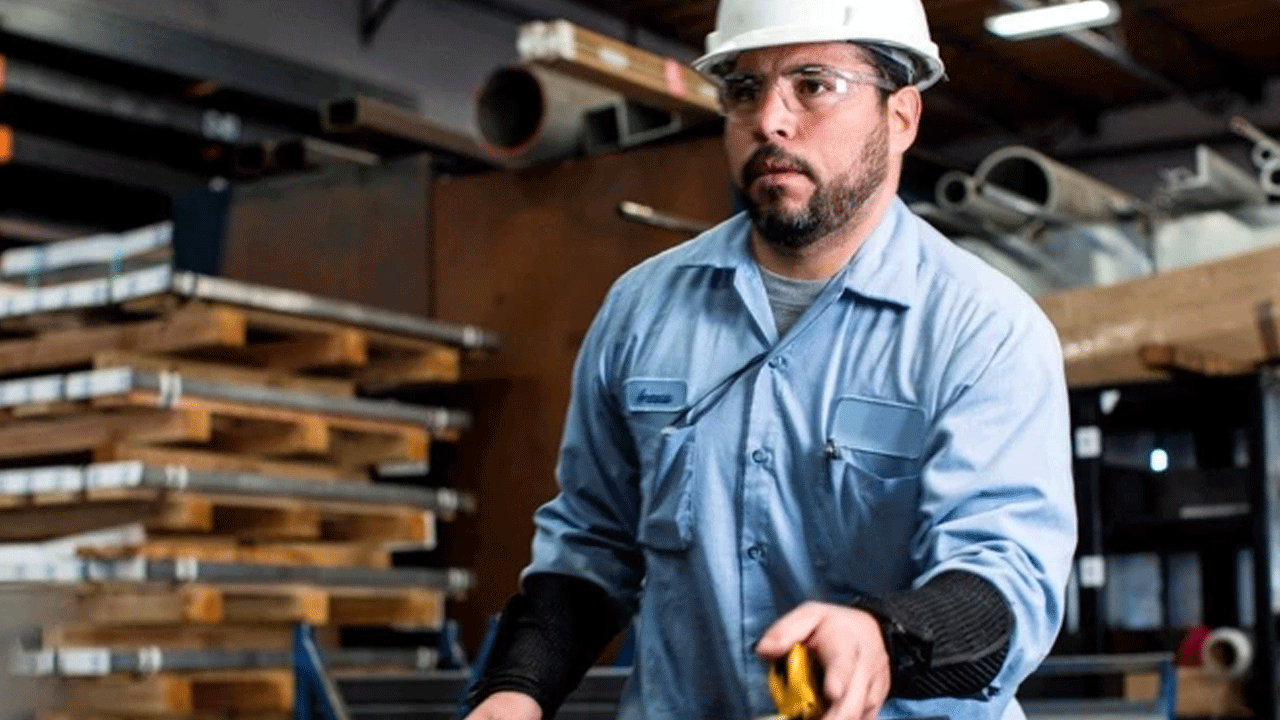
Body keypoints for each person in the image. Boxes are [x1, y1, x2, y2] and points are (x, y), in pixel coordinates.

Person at [465, 1, 1077, 719]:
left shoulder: (982, 330)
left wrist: (885, 641)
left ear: (901, 116)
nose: (770, 122)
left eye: (813, 85)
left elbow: (1009, 587)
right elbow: (591, 546)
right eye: (745, 90)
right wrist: (515, 690)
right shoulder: (642, 311)